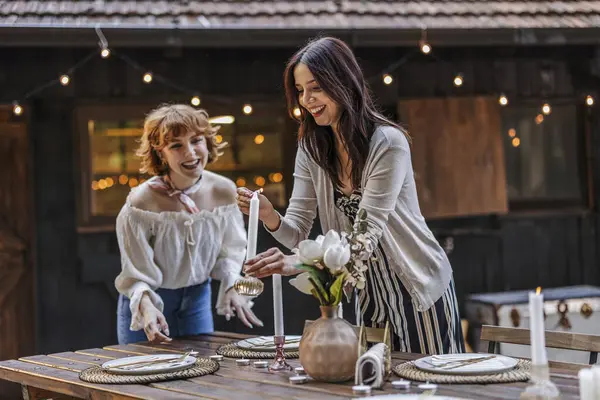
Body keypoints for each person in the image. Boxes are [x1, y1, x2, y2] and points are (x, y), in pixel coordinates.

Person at [237, 37, 465, 354]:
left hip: (419, 288)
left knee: (430, 384)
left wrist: (293, 264)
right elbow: (298, 232)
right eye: (301, 90)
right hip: (365, 291)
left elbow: (364, 237)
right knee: (373, 383)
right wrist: (268, 216)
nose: (307, 99)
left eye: (315, 87)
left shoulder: (387, 143)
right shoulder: (311, 148)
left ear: (342, 82)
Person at [115, 104, 262, 345]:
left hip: (197, 300)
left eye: (196, 141)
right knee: (143, 378)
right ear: (160, 153)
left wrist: (231, 283)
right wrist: (147, 307)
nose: (191, 153)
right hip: (149, 304)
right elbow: (135, 272)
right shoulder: (141, 202)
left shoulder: (224, 191)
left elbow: (231, 250)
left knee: (201, 374)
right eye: (176, 145)